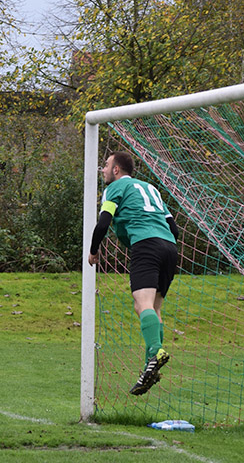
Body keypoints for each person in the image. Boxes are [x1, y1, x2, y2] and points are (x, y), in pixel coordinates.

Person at [87, 152, 179, 395]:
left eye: (105, 165)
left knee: (142, 304)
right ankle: (152, 365)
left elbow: (104, 222)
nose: (103, 170)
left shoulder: (116, 188)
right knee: (154, 308)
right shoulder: (151, 188)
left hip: (146, 245)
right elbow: (173, 227)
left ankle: (155, 353)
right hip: (169, 247)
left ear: (116, 170)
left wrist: (94, 251)